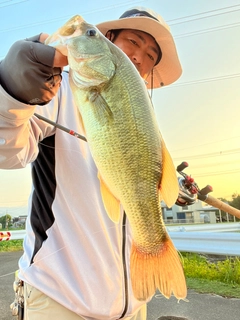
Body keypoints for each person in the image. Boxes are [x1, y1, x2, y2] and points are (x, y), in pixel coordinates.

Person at [0, 6, 182, 320]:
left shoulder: (144, 120)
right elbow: (8, 150)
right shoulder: (56, 90)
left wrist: (173, 187)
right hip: (59, 300)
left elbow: (146, 178)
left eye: (151, 54)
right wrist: (12, 94)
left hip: (133, 305)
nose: (140, 56)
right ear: (109, 41)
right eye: (133, 42)